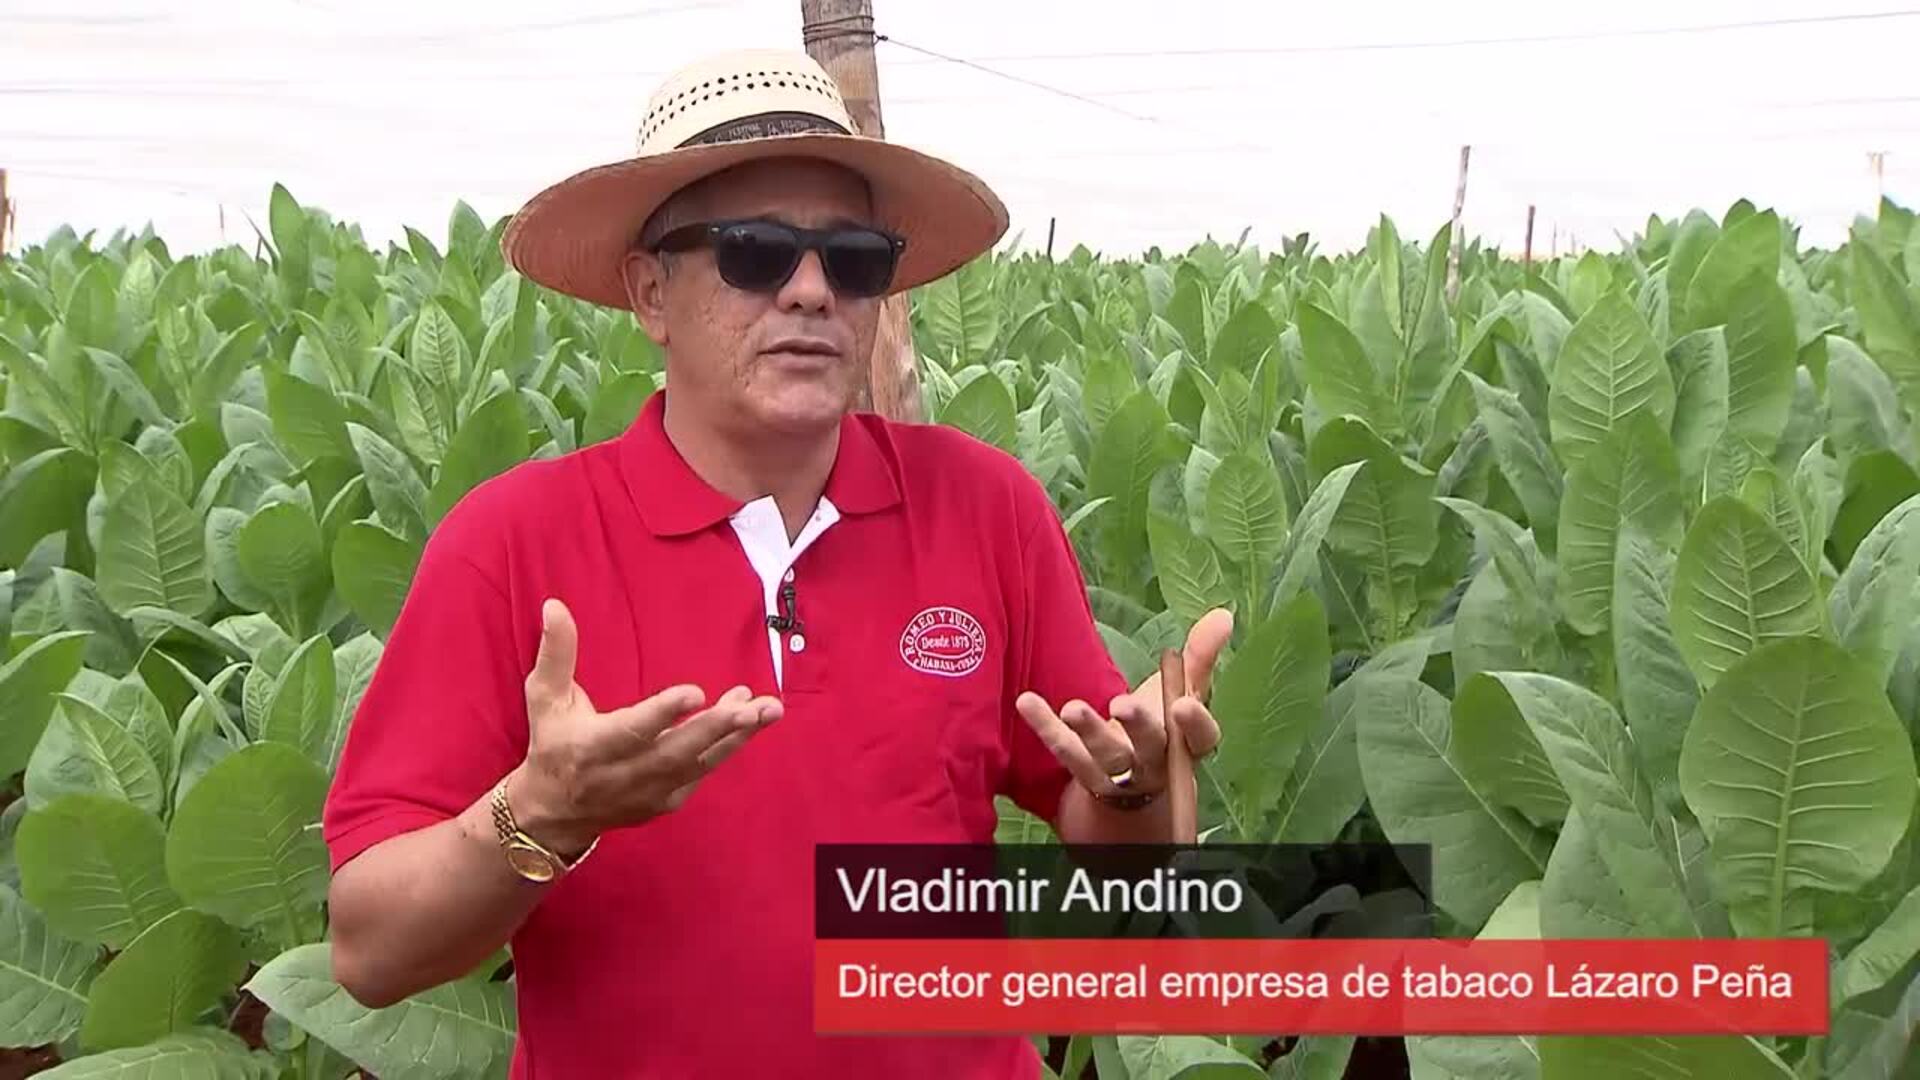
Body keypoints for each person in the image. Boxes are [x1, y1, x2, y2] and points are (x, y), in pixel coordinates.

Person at [321, 48, 1232, 1079]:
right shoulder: (515, 543)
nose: (810, 291)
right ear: (650, 292)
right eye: (755, 253)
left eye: (853, 259)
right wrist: (542, 814)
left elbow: (1125, 871)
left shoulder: (985, 509)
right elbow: (370, 950)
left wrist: (1133, 790)